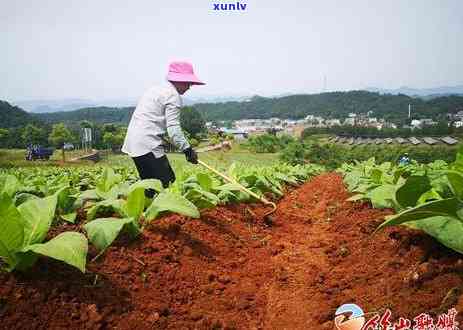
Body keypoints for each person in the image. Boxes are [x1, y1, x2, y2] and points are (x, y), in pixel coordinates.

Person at [122, 61, 205, 193]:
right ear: (178, 80)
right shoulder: (173, 96)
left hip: (134, 142)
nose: (189, 87)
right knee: (166, 184)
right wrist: (188, 150)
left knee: (151, 185)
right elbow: (174, 129)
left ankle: (144, 210)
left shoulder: (155, 90)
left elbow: (150, 121)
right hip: (147, 145)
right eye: (187, 83)